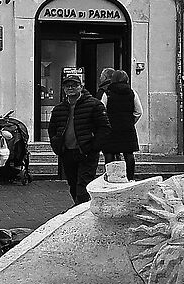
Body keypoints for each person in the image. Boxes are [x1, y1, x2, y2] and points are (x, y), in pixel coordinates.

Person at [47, 69, 103, 205]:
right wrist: (56, 144)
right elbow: (52, 129)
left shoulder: (94, 105)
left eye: (74, 85)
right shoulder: (59, 109)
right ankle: (80, 208)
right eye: (67, 86)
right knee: (73, 184)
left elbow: (104, 128)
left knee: (83, 186)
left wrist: (94, 146)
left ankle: (80, 210)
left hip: (86, 152)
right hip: (67, 152)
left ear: (81, 87)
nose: (70, 88)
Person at [97, 67, 140, 179]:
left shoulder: (107, 93)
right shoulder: (132, 93)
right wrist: (131, 121)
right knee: (129, 153)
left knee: (109, 153)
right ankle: (130, 177)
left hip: (111, 127)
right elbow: (138, 111)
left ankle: (111, 177)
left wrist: (104, 124)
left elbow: (101, 110)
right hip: (127, 127)